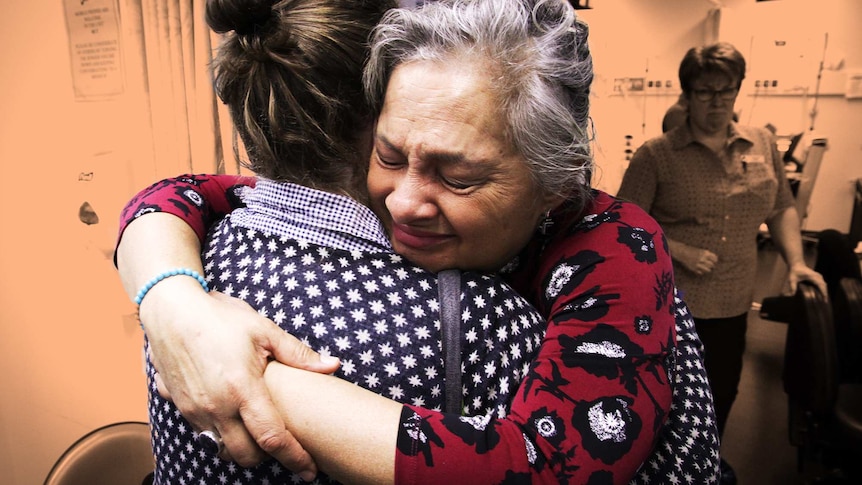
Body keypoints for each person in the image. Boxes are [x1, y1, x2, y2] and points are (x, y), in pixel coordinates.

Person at [118, 0, 720, 483]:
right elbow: (196, 190)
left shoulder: (618, 250)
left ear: (556, 182)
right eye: (389, 154)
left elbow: (545, 465)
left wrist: (244, 376)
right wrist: (174, 301)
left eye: (457, 177)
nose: (402, 201)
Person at [617, 41, 826, 484]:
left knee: (721, 394)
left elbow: (781, 207)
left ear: (738, 91)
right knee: (668, 403)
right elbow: (624, 229)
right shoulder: (656, 155)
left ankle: (705, 467)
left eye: (726, 92)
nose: (717, 103)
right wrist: (679, 249)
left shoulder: (762, 143)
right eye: (705, 93)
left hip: (733, 300)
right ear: (686, 95)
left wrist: (795, 263)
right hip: (672, 307)